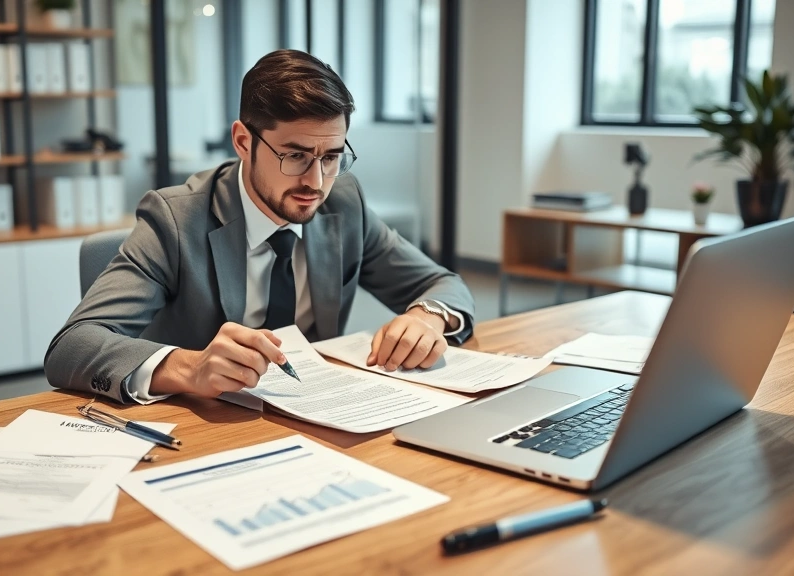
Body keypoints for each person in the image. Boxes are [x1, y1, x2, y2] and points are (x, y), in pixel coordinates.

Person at [45, 50, 475, 404]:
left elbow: (443, 284)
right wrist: (189, 367)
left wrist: (427, 317)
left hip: (322, 414)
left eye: (331, 157)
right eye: (295, 156)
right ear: (243, 141)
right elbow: (72, 346)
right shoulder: (174, 220)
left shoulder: (344, 203)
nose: (316, 182)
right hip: (204, 431)